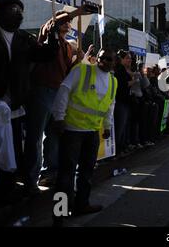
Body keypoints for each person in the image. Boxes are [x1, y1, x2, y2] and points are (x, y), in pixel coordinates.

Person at [0, 0, 59, 202]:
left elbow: (44, 55)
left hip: (13, 105)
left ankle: (8, 189)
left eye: (20, 9)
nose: (18, 13)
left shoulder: (23, 38)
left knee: (13, 151)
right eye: (13, 9)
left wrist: (52, 36)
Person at [24, 8, 89, 194]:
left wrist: (79, 60)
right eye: (65, 21)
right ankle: (30, 180)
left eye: (69, 22)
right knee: (35, 137)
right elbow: (51, 25)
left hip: (57, 93)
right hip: (42, 90)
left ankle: (49, 173)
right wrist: (77, 12)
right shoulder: (47, 36)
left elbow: (67, 73)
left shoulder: (68, 47)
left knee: (53, 136)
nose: (68, 24)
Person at [51, 48, 117, 226]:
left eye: (110, 59)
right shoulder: (82, 70)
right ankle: (59, 214)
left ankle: (81, 204)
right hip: (72, 130)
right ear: (98, 59)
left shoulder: (113, 81)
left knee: (87, 172)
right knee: (65, 173)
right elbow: (64, 90)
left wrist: (107, 126)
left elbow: (110, 106)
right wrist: (59, 117)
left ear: (114, 62)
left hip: (92, 132)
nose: (105, 61)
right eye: (102, 58)